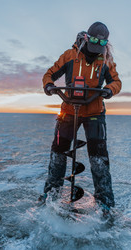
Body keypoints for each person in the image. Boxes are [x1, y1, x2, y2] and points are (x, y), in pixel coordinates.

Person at [39, 21, 122, 213]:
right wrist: (49, 86)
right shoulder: (70, 55)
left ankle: (105, 202)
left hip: (94, 112)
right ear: (86, 39)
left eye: (99, 47)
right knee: (58, 153)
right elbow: (50, 73)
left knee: (99, 158)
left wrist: (109, 90)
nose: (95, 51)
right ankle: (51, 194)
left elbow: (116, 81)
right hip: (68, 110)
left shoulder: (106, 60)